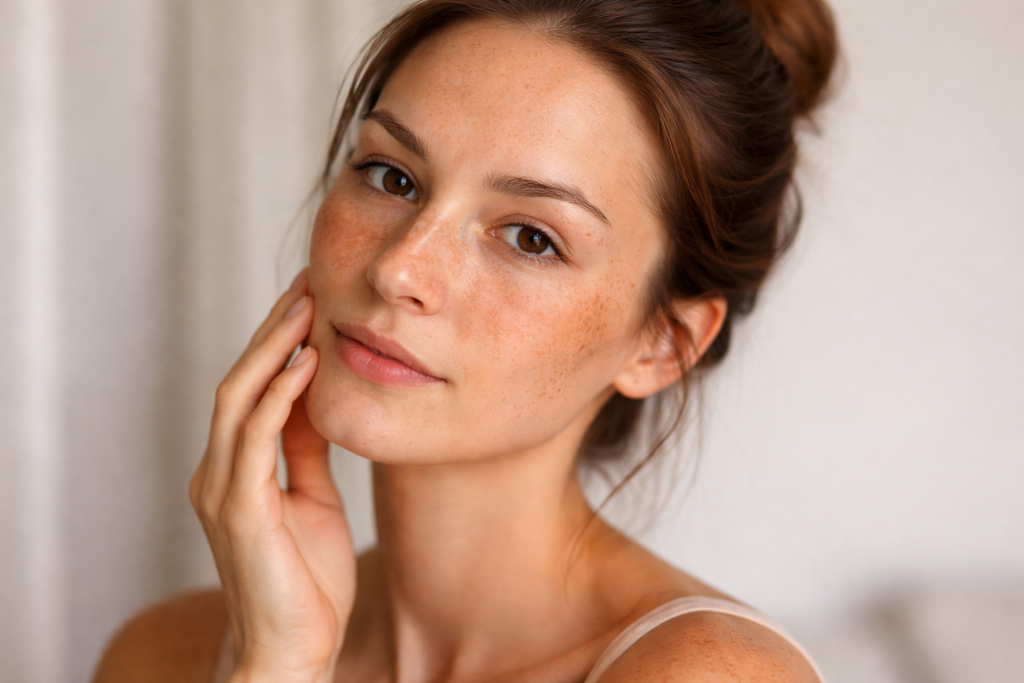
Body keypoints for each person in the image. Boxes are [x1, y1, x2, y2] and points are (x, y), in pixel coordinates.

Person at [94, 0, 838, 681]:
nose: (399, 268)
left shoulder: (711, 673)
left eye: (529, 236)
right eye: (391, 177)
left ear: (664, 343)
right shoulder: (164, 657)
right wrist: (280, 660)